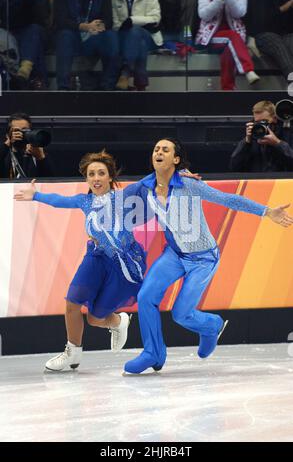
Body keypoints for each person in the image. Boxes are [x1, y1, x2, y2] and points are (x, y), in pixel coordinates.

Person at [124, 137, 293, 374]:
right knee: (146, 296)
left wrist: (266, 212)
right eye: (155, 149)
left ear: (176, 159)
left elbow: (228, 199)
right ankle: (153, 353)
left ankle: (212, 326)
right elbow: (119, 201)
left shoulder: (189, 184)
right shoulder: (144, 186)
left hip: (203, 258)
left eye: (165, 149)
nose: (158, 152)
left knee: (181, 314)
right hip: (173, 254)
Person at [13, 150, 148, 371]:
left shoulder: (122, 198)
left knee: (95, 319)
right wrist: (36, 195)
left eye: (101, 173)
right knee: (72, 303)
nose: (96, 178)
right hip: (95, 258)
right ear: (86, 178)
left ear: (110, 177)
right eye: (91, 174)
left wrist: (178, 177)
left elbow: (149, 183)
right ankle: (72, 352)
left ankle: (117, 321)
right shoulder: (84, 201)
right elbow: (59, 201)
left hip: (122, 263)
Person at [54, 0, 119, 91]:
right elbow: (60, 21)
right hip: (73, 36)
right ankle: (63, 87)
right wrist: (83, 26)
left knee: (111, 36)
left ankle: (107, 86)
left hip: (94, 36)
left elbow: (108, 21)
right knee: (65, 36)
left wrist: (96, 27)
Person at [195, 0, 260, 90]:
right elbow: (204, 15)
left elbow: (240, 13)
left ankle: (227, 89)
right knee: (231, 38)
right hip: (210, 36)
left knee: (229, 50)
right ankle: (248, 70)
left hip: (235, 38)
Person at [112, 0, 163, 91]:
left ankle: (125, 72)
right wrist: (130, 27)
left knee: (135, 32)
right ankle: (141, 85)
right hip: (123, 37)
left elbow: (155, 18)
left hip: (149, 36)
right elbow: (115, 24)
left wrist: (132, 21)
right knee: (140, 43)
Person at [0, 0, 50, 90]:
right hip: (11, 33)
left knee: (33, 32)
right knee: (34, 45)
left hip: (34, 33)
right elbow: (6, 18)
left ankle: (23, 74)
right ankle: (37, 80)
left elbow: (41, 19)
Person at [230, 100, 293, 172]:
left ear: (274, 119)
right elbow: (234, 167)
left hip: (281, 181)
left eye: (264, 121)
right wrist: (246, 142)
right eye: (257, 122)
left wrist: (277, 143)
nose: (261, 125)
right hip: (256, 181)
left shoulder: (286, 134)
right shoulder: (251, 138)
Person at [245, 0, 293, 81]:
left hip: (287, 34)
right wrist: (282, 8)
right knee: (278, 45)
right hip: (264, 34)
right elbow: (260, 22)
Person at [0, 112, 54, 179]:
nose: (21, 134)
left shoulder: (38, 152)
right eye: (16, 130)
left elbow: (51, 181)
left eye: (24, 130)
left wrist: (41, 158)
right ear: (7, 135)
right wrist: (7, 143)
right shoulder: (4, 154)